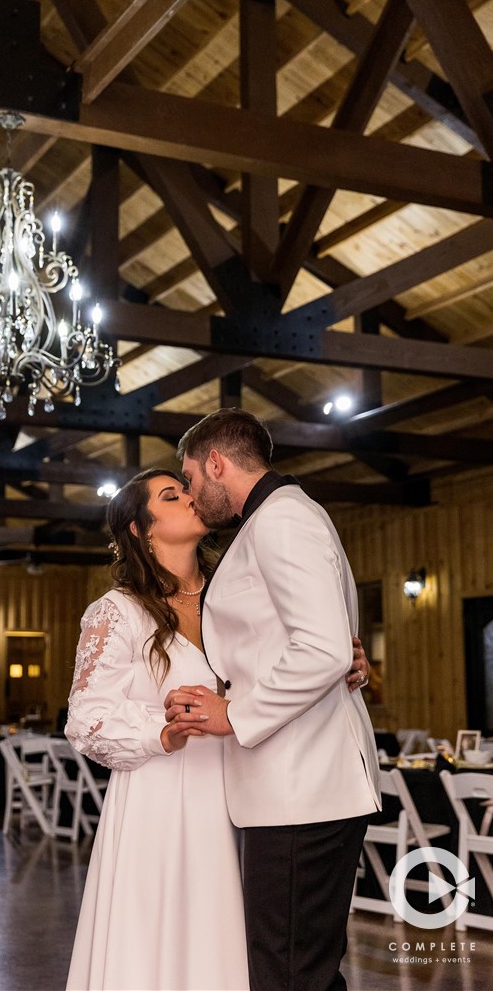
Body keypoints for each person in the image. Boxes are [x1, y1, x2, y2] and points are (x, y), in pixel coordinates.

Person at [65, 467, 371, 991]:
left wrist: (343, 663)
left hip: (245, 792)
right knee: (160, 942)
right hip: (159, 802)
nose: (188, 497)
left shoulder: (234, 596)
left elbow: (290, 664)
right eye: (170, 494)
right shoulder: (117, 611)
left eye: (185, 488)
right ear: (140, 528)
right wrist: (162, 730)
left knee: (245, 944)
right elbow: (84, 717)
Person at [166, 409, 381, 991]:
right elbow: (320, 648)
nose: (190, 494)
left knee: (288, 971)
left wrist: (233, 712)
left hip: (303, 786)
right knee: (295, 967)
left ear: (216, 463)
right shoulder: (272, 520)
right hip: (290, 785)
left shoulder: (283, 519)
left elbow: (322, 649)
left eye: (188, 478)